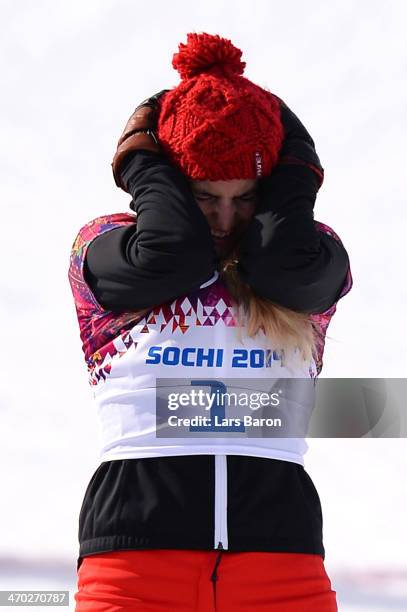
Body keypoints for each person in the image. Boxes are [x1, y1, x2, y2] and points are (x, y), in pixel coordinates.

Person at [69, 32, 352, 611]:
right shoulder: (99, 246)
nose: (225, 217)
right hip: (133, 567)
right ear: (170, 185)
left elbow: (282, 265)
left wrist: (293, 160)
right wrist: (146, 159)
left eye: (245, 197)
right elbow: (168, 254)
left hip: (285, 565)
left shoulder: (313, 253)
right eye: (202, 195)